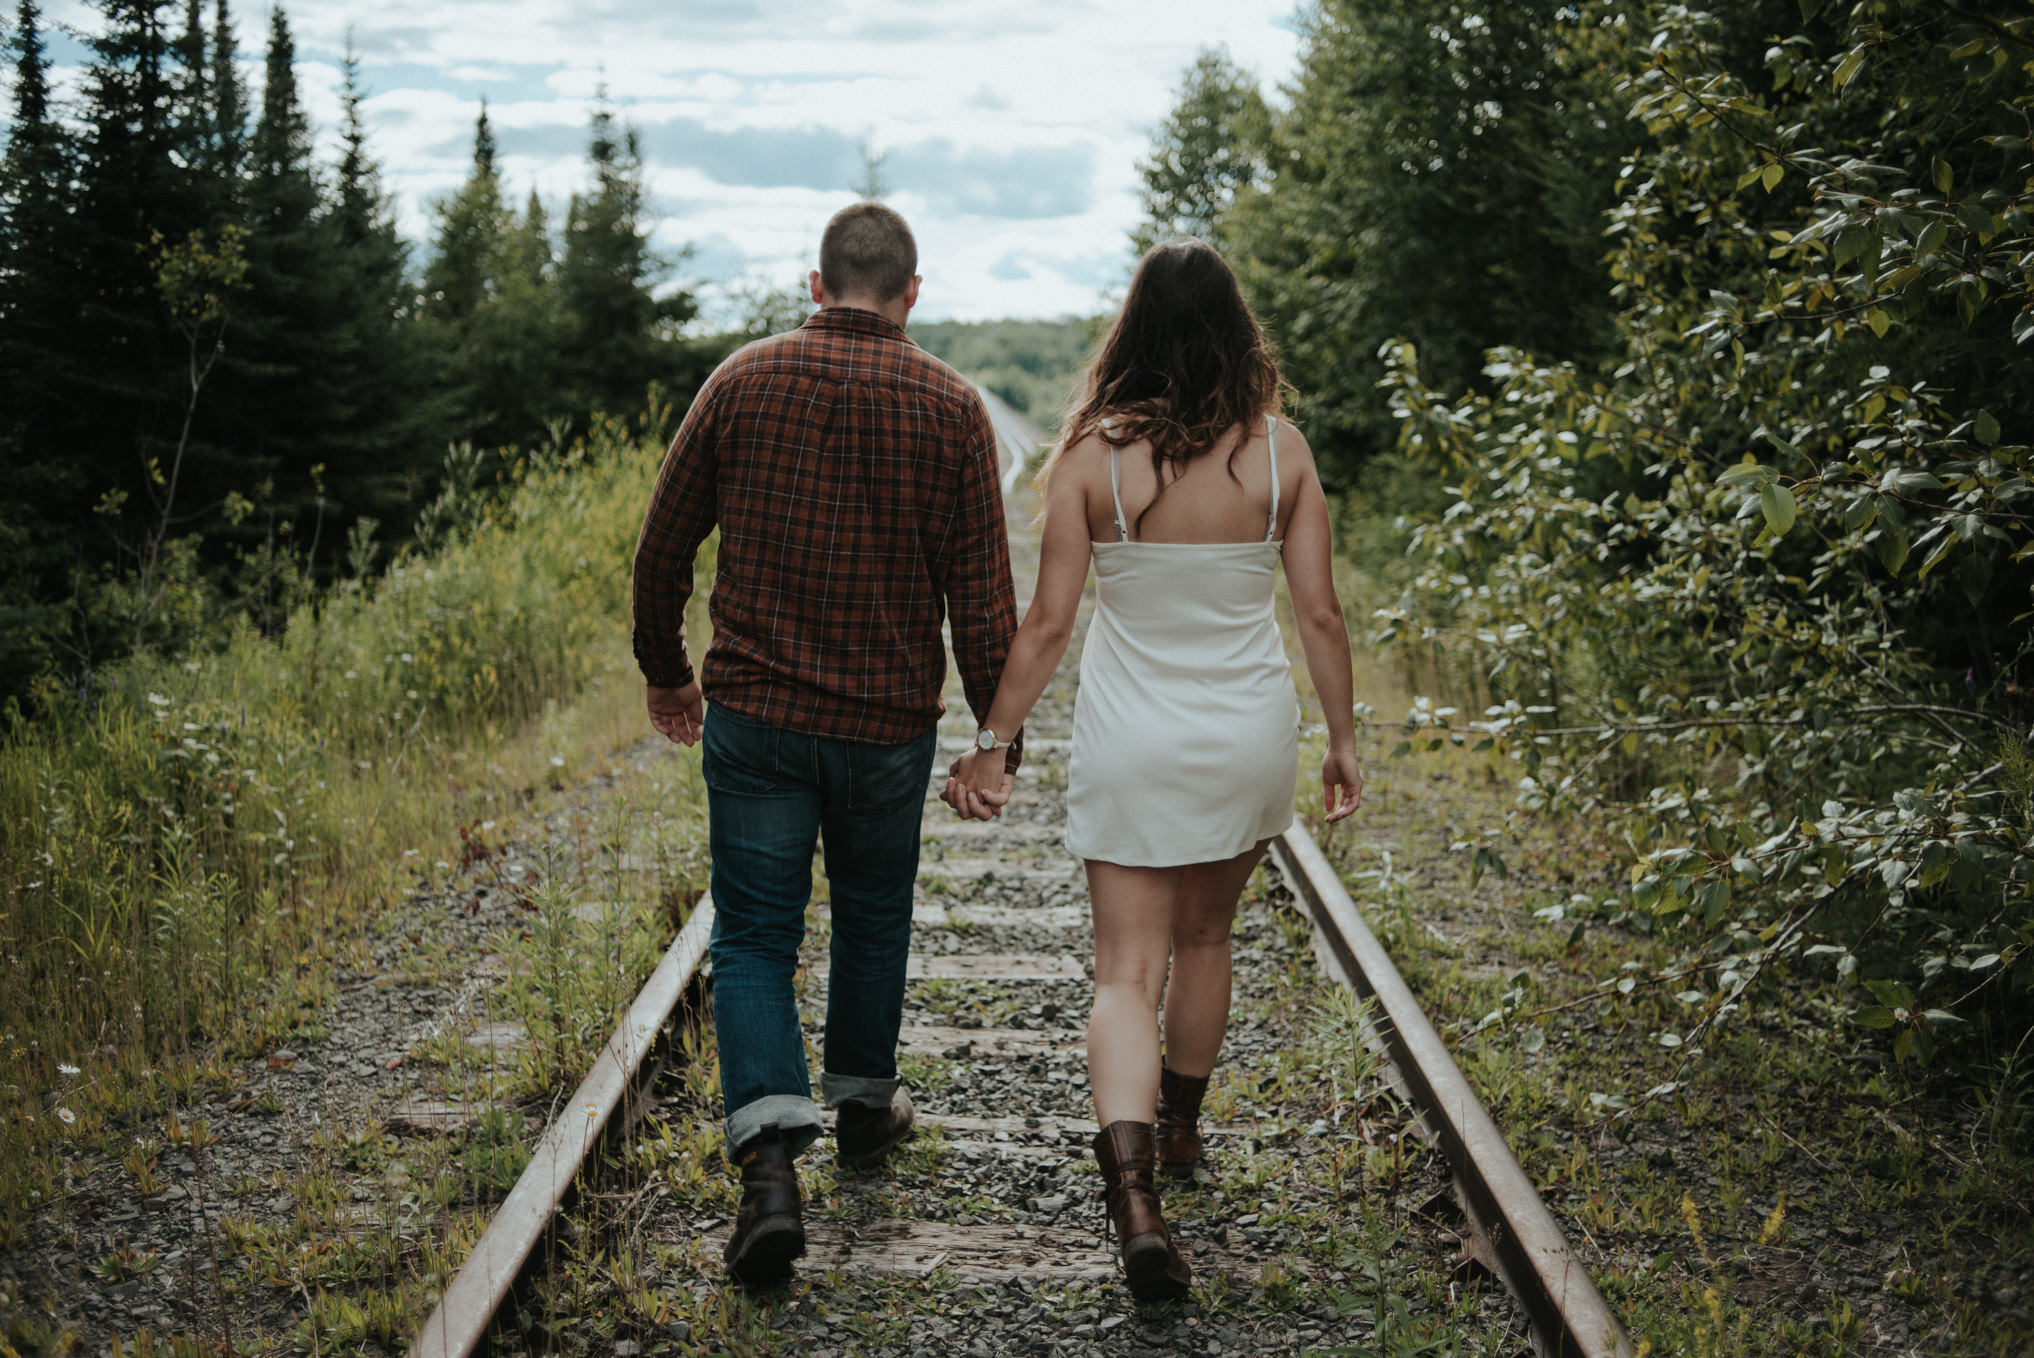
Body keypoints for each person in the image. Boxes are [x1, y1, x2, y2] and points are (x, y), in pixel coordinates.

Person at [944, 239, 1362, 1303]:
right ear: (1236, 331)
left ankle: (1134, 1198)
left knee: (1124, 971)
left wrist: (993, 741)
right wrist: (1345, 738)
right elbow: (1318, 612)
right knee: (1207, 934)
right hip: (1246, 732)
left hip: (1134, 738)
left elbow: (1046, 625)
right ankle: (1179, 1128)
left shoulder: (1092, 456)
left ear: (1131, 331)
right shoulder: (1282, 455)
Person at [633, 202, 1022, 1288]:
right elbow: (983, 604)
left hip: (756, 718)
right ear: (910, 294)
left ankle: (767, 1169)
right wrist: (998, 740)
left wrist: (667, 669)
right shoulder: (953, 406)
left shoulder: (741, 380)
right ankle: (860, 1105)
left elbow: (661, 545)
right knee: (872, 910)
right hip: (885, 727)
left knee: (754, 934)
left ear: (816, 285)